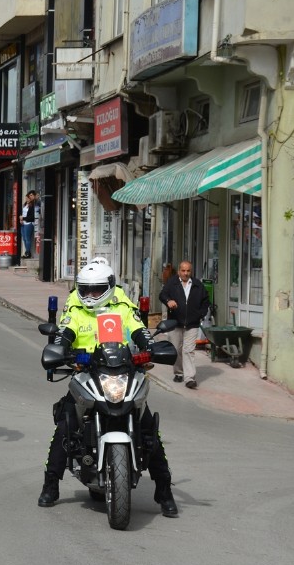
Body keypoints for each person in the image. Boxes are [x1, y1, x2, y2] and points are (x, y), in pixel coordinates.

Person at [38, 261, 178, 517]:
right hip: (87, 373)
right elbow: (63, 335)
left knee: (148, 427)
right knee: (65, 423)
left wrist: (151, 348)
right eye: (86, 289)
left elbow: (140, 332)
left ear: (110, 287)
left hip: (122, 372)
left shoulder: (123, 309)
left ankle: (164, 489)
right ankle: (51, 484)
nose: (90, 295)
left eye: (97, 289)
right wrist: (59, 350)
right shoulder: (76, 311)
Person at [159, 260, 211, 389]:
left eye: (188, 271)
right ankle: (178, 373)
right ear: (179, 271)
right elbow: (162, 295)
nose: (185, 273)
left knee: (188, 351)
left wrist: (200, 314)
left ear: (191, 272)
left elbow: (206, 302)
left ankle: (190, 378)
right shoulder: (172, 283)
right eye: (183, 270)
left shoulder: (198, 285)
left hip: (192, 324)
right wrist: (168, 301)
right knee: (176, 349)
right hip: (175, 322)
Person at [21, 190, 39, 258]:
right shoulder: (25, 204)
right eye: (28, 197)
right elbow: (22, 213)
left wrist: (24, 218)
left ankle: (28, 253)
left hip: (29, 223)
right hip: (23, 223)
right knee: (24, 239)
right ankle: (27, 251)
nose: (28, 198)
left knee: (27, 238)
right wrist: (21, 218)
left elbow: (31, 217)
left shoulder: (32, 205)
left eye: (30, 196)